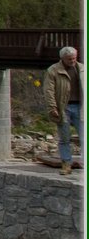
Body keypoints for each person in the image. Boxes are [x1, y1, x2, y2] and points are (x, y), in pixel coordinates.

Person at [45, 46, 84, 176]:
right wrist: (52, 107)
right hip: (63, 108)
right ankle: (66, 164)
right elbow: (49, 90)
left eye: (74, 58)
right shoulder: (53, 70)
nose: (72, 61)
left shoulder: (82, 69)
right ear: (62, 58)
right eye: (69, 59)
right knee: (65, 138)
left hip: (81, 107)